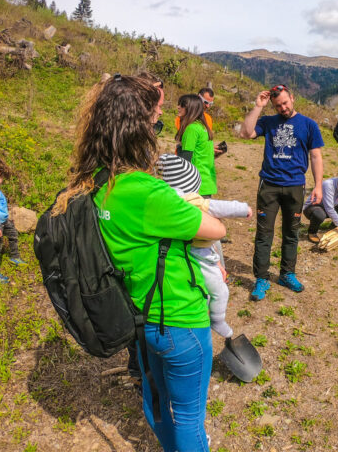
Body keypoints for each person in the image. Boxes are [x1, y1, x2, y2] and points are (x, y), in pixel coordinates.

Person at [56, 74, 226, 451]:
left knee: (159, 405)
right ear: (136, 126)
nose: (161, 122)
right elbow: (216, 229)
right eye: (156, 116)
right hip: (181, 318)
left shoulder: (100, 184)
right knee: (188, 418)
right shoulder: (146, 191)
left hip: (142, 319)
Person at [240, 84, 324, 301]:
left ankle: (287, 274)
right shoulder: (268, 122)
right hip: (269, 185)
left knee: (291, 232)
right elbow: (246, 133)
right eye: (278, 106)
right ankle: (261, 278)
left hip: (295, 186)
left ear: (292, 99)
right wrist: (258, 107)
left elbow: (316, 156)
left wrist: (318, 185)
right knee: (264, 234)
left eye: (285, 103)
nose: (283, 108)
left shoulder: (308, 125)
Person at [157, 153, 252, 339]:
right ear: (190, 186)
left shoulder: (166, 203)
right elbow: (223, 207)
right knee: (220, 290)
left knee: (201, 291)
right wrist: (244, 209)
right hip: (201, 256)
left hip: (180, 256)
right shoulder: (194, 202)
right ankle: (217, 320)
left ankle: (205, 316)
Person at [303, 169, 338, 244]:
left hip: (327, 208)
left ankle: (333, 227)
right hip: (313, 207)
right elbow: (329, 208)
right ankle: (312, 232)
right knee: (319, 214)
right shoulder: (328, 185)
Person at [176, 94, 217, 198]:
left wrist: (178, 147)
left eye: (182, 105)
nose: (178, 107)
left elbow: (185, 161)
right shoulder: (203, 127)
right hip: (206, 182)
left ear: (190, 108)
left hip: (195, 185)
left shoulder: (191, 129)